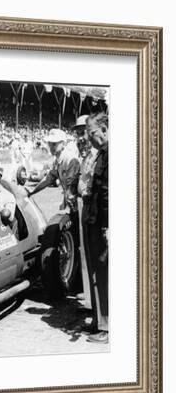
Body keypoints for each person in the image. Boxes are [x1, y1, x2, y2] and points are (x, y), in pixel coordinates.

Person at [84, 112, 109, 344]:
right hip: (96, 220)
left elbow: (109, 195)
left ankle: (107, 326)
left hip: (104, 223)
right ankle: (101, 321)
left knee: (104, 273)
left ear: (104, 129)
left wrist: (109, 226)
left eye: (92, 133)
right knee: (98, 273)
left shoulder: (111, 153)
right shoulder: (102, 153)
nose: (89, 137)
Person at [28, 128, 80, 214]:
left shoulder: (70, 159)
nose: (51, 147)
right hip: (70, 203)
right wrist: (32, 191)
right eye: (50, 144)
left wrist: (67, 209)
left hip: (78, 204)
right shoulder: (57, 160)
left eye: (54, 144)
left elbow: (72, 188)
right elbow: (48, 179)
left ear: (63, 144)